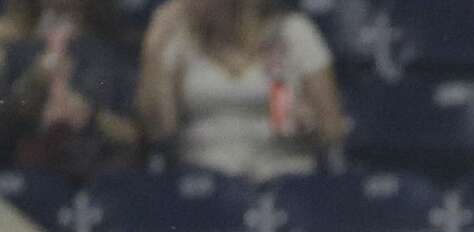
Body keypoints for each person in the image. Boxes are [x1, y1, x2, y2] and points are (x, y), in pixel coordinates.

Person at [136, 0, 344, 180]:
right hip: (205, 181)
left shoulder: (292, 31)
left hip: (284, 176)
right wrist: (154, 50)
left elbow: (331, 129)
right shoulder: (179, 38)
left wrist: (309, 125)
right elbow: (160, 130)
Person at [0, 1, 140, 182]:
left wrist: (91, 115)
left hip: (96, 178)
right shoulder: (16, 49)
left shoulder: (117, 52)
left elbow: (135, 138)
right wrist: (33, 85)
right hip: (21, 177)